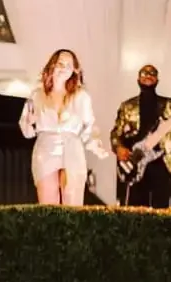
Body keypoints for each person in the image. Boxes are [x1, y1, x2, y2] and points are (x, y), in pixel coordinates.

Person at [18, 49, 109, 206]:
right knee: (48, 205)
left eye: (68, 65)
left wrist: (96, 145)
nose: (63, 68)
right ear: (52, 65)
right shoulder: (37, 95)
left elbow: (89, 126)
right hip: (46, 148)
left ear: (74, 70)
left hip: (72, 148)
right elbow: (26, 131)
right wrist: (30, 122)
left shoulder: (81, 96)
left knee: (72, 201)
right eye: (60, 63)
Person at [110, 64, 171, 208]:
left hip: (162, 162)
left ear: (157, 79)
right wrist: (119, 148)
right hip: (137, 160)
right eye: (144, 73)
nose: (148, 75)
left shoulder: (170, 105)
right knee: (136, 208)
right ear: (138, 78)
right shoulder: (127, 106)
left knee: (162, 208)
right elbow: (116, 133)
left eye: (152, 73)